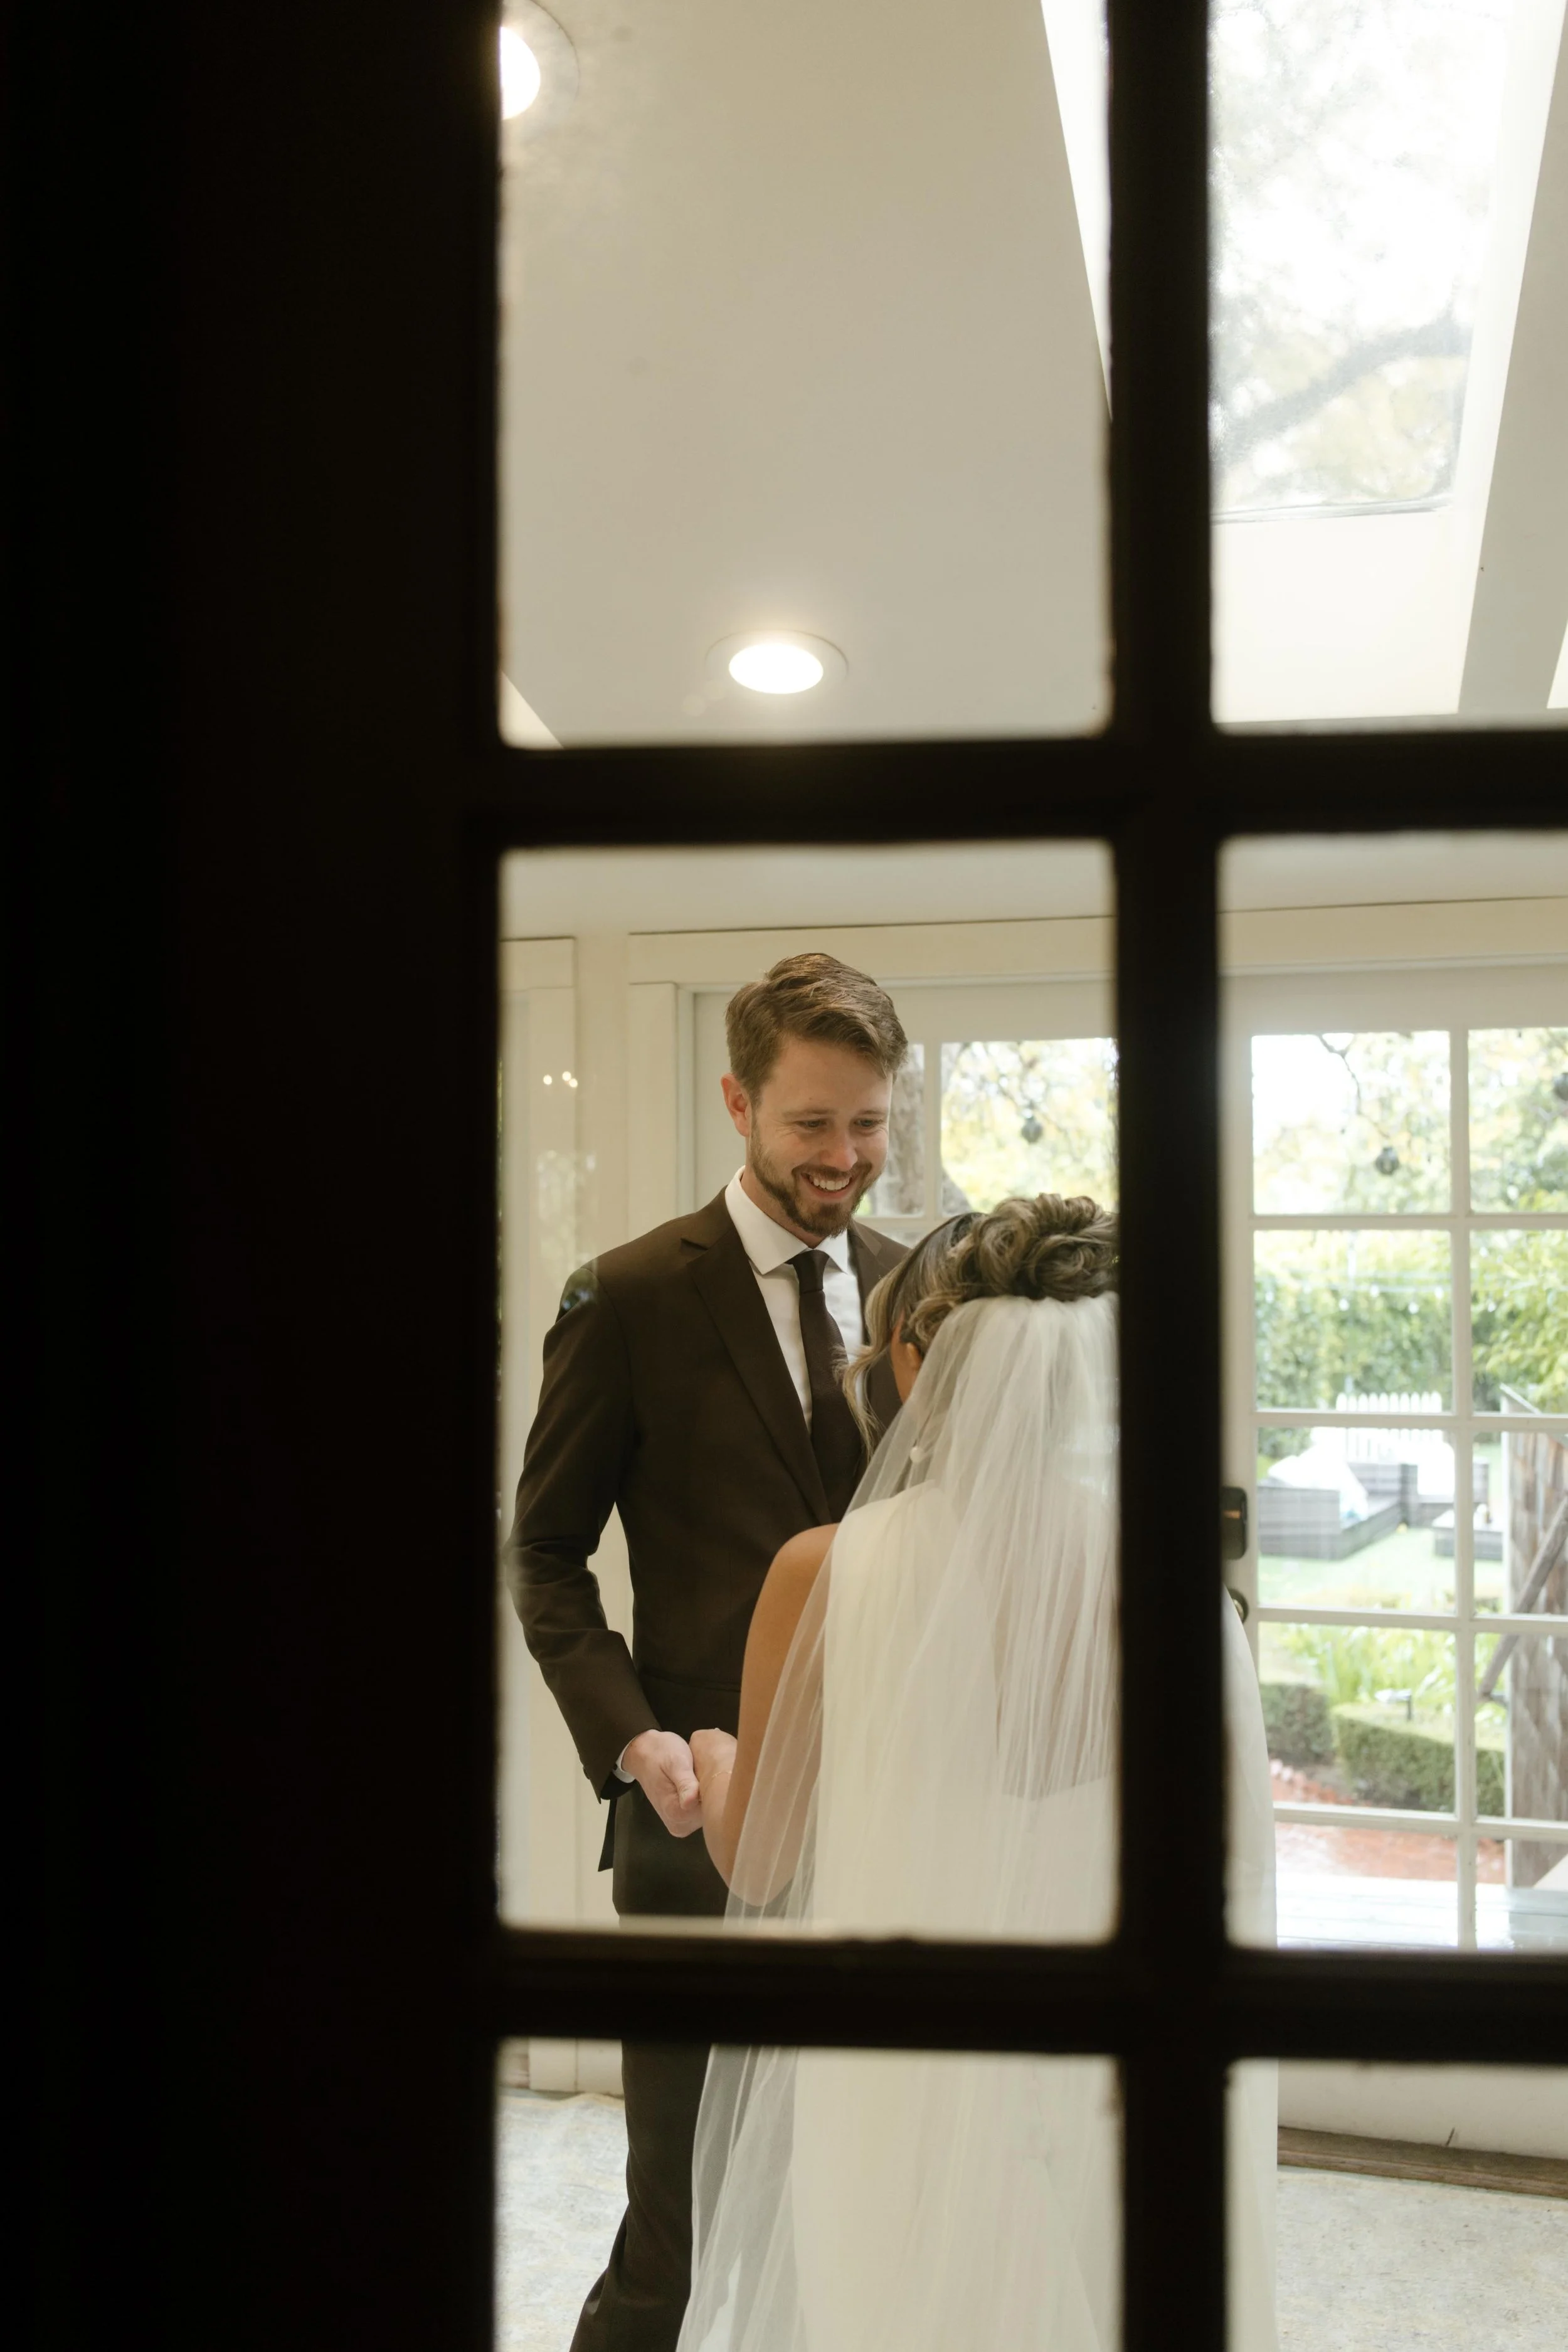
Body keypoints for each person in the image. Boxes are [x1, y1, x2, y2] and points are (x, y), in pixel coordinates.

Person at [679, 1195, 1279, 2352]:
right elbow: (1225, 1873)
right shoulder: (1176, 1594)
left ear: (916, 1361)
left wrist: (715, 1754)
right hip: (1116, 2064)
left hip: (902, 2070)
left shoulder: (829, 1571)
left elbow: (755, 1858)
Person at [505, 951, 909, 2352]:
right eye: (810, 1124)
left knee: (854, 2195)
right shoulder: (621, 1296)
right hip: (696, 1816)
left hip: (894, 1819)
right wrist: (632, 1742)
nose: (842, 1157)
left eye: (866, 1122)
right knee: (673, 2212)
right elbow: (542, 1554)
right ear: (737, 1102)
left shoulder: (920, 1290)